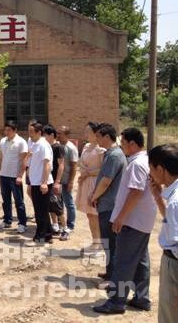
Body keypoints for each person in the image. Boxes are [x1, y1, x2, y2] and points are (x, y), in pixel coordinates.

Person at [94, 128, 156, 314]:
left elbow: (136, 192)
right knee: (141, 261)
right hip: (142, 221)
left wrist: (121, 217)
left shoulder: (137, 164)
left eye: (123, 143)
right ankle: (141, 298)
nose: (121, 147)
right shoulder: (146, 161)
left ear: (133, 144)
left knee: (123, 262)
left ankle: (116, 301)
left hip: (132, 221)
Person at [90, 123, 127, 283]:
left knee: (111, 243)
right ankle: (109, 272)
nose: (96, 139)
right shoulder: (111, 154)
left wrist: (94, 196)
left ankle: (113, 277)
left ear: (107, 136)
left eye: (98, 136)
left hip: (110, 205)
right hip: (107, 204)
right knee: (108, 242)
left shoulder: (114, 156)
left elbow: (106, 181)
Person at [148, 144, 178, 323]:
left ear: (160, 169)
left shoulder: (174, 202)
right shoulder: (173, 197)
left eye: (151, 169)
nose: (150, 174)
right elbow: (171, 221)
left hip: (174, 264)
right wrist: (158, 198)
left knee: (169, 315)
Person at [0, 121, 28, 233]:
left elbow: (24, 160)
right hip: (4, 175)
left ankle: (22, 223)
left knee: (19, 201)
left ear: (15, 130)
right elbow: (1, 158)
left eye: (9, 130)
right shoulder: (2, 141)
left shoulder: (21, 142)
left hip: (14, 176)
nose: (6, 132)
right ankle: (7, 220)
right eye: (5, 130)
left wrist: (20, 176)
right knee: (6, 200)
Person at [76, 122, 105, 253]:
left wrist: (88, 173)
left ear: (95, 133)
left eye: (88, 132)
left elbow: (104, 170)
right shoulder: (86, 146)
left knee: (96, 214)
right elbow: (80, 163)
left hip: (95, 183)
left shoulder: (101, 149)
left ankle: (101, 243)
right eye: (85, 131)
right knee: (89, 214)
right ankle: (95, 241)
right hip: (85, 182)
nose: (86, 134)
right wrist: (83, 173)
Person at [27, 122, 54, 244]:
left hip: (42, 182)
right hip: (35, 182)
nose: (29, 134)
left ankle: (40, 235)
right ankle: (48, 234)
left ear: (39, 132)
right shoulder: (33, 144)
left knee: (41, 211)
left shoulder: (43, 145)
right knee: (40, 210)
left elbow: (47, 164)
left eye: (31, 132)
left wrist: (44, 182)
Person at [43, 125, 70, 241]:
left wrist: (57, 181)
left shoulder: (58, 147)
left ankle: (65, 228)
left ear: (51, 135)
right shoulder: (47, 147)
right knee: (50, 205)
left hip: (55, 180)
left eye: (45, 135)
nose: (43, 137)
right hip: (48, 180)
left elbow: (61, 165)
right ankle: (55, 225)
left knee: (58, 205)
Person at [57, 126, 78, 233]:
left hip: (66, 180)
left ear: (67, 135)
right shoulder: (58, 145)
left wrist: (71, 181)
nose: (58, 135)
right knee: (58, 202)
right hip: (59, 180)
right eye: (57, 133)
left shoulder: (71, 148)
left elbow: (74, 166)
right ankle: (61, 223)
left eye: (60, 133)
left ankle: (70, 224)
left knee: (69, 203)